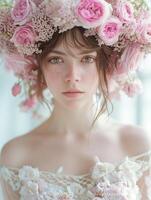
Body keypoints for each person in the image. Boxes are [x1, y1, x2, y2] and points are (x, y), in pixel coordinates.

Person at [0, 0, 151, 199]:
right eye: (56, 59)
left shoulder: (137, 145)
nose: (72, 76)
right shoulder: (16, 155)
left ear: (106, 65)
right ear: (39, 67)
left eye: (87, 59)